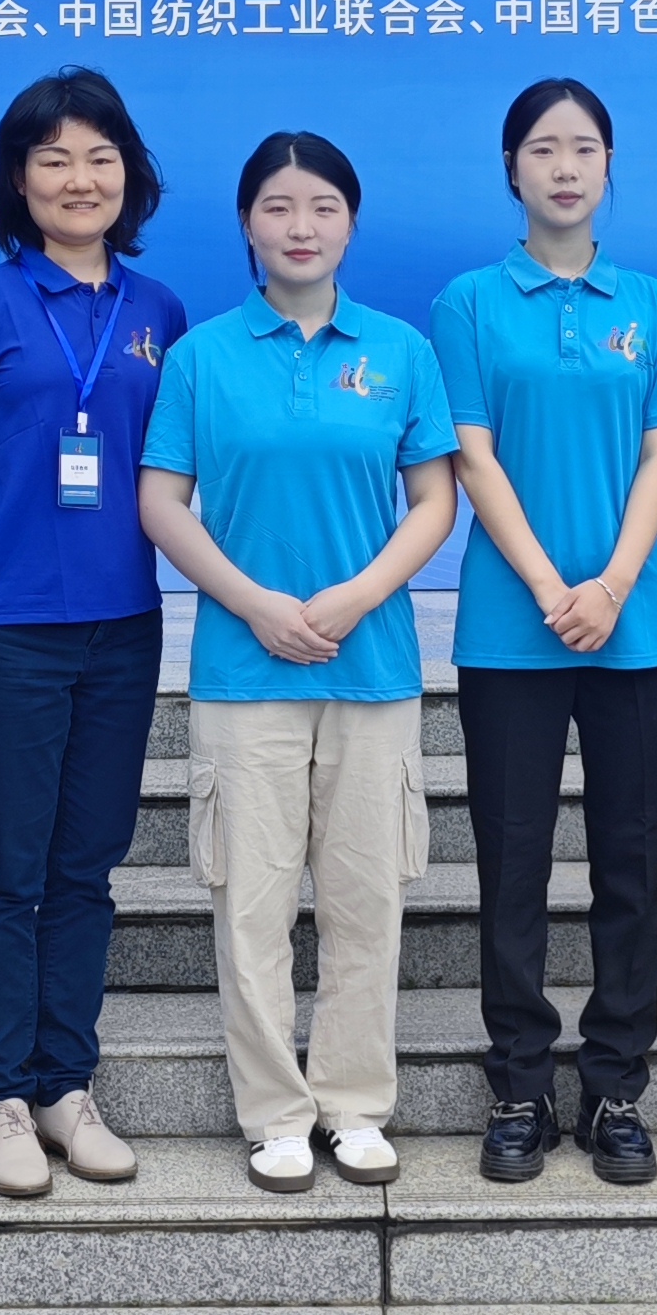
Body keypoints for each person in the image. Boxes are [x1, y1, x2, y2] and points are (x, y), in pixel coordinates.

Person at [140, 131, 458, 1195]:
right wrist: (256, 605)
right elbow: (161, 502)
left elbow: (433, 500)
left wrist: (358, 595)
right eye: (277, 207)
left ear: (350, 223)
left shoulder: (402, 352)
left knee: (367, 903)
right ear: (247, 224)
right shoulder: (202, 357)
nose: (301, 226)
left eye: (322, 205)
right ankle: (276, 1115)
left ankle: (355, 1106)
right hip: (245, 674)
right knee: (252, 908)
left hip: (371, 670)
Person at [0, 69, 187, 1197]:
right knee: (7, 869)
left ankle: (65, 1085)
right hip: (10, 630)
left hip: (123, 625)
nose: (80, 179)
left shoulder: (158, 311)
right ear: (18, 181)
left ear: (130, 175)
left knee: (86, 865)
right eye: (53, 160)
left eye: (100, 158)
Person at [430, 79, 657, 1187]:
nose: (566, 166)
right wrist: (551, 588)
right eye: (543, 148)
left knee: (630, 860)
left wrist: (613, 585)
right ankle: (520, 1085)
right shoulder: (468, 304)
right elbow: (473, 457)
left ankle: (617, 1087)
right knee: (514, 862)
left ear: (610, 164)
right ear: (512, 169)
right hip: (512, 627)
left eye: (585, 147)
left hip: (635, 626)